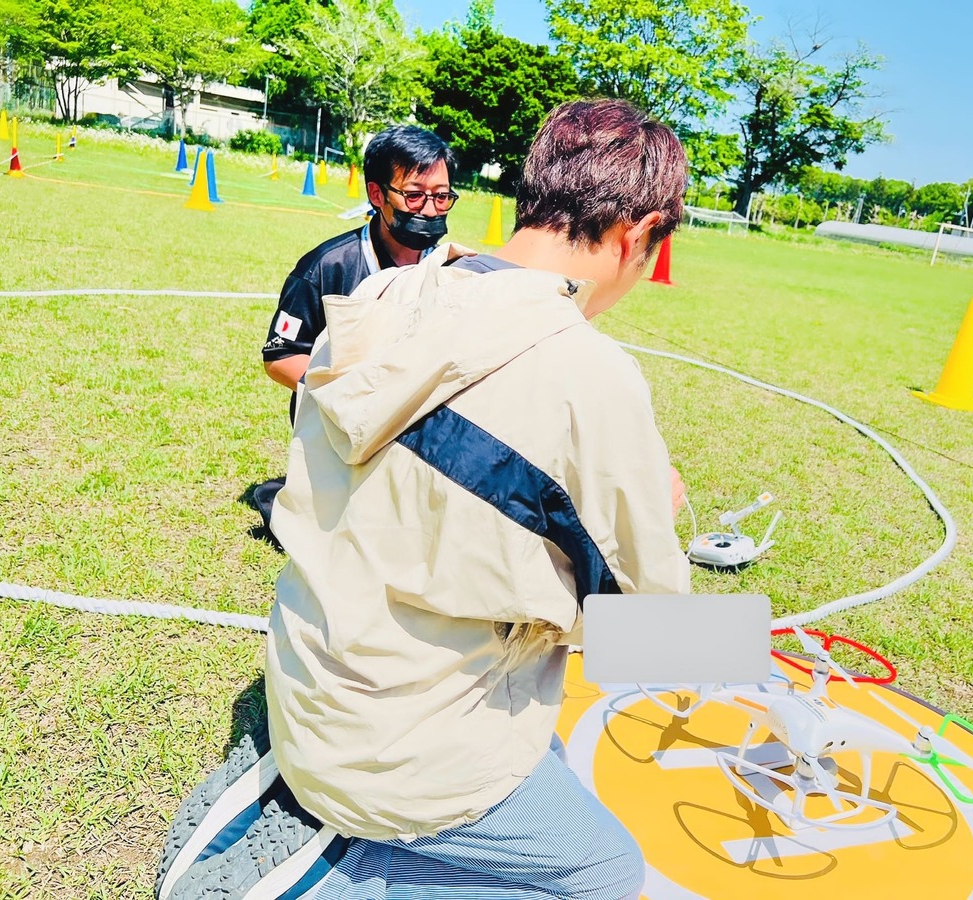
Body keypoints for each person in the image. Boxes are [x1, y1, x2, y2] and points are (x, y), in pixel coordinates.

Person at [159, 99, 691, 900]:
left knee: (545, 753)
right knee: (609, 874)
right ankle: (347, 875)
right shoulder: (593, 378)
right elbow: (652, 638)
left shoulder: (383, 298)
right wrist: (665, 516)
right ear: (635, 233)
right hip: (402, 760)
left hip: (309, 684)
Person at [249, 126, 458, 532]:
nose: (431, 209)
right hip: (340, 429)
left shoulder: (451, 267)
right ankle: (292, 499)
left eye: (442, 196)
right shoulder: (328, 266)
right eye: (414, 195)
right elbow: (280, 357)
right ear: (377, 195)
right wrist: (355, 398)